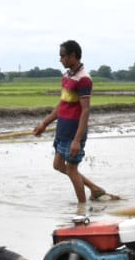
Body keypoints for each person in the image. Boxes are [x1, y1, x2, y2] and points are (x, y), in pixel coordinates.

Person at [33, 40, 107, 204]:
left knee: (72, 170)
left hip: (74, 131)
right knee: (58, 165)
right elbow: (62, 104)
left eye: (63, 56)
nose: (60, 60)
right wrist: (44, 124)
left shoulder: (84, 79)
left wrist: (77, 140)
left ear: (73, 56)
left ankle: (81, 210)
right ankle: (95, 189)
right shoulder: (66, 76)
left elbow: (85, 110)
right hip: (62, 129)